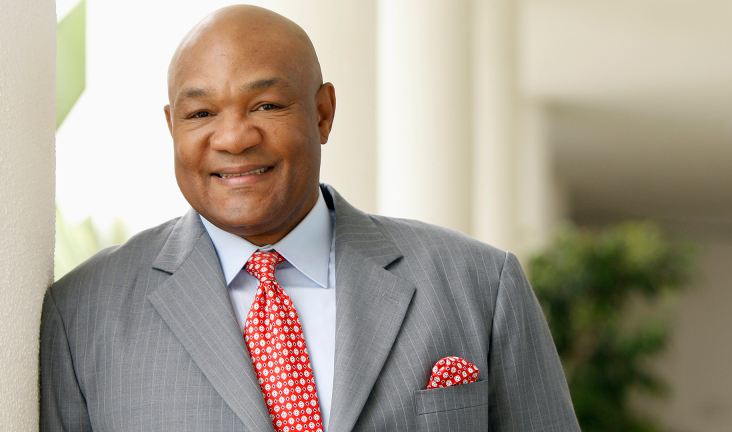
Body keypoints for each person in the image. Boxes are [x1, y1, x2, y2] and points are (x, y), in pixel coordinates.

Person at [40, 5, 580, 432]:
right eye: (201, 113)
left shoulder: (482, 286)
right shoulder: (82, 314)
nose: (232, 138)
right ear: (171, 126)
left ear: (322, 113)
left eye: (266, 106)